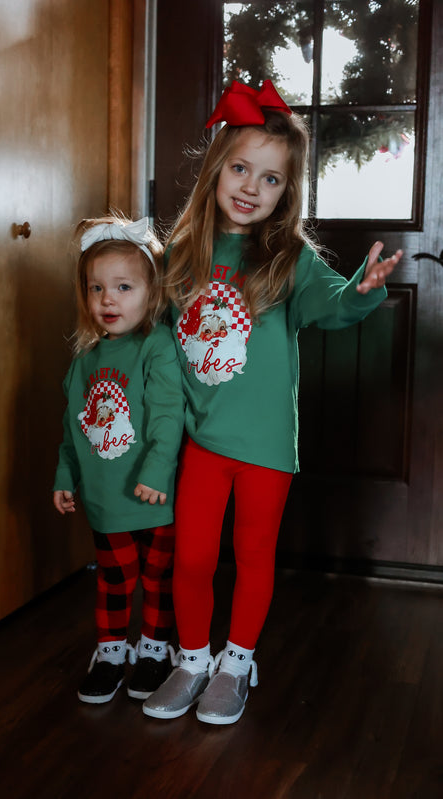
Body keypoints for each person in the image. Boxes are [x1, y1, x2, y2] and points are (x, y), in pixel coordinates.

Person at [142, 80, 403, 725]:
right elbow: (159, 346)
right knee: (196, 556)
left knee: (254, 554)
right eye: (240, 168)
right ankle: (193, 658)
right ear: (216, 168)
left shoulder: (289, 260)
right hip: (201, 441)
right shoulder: (182, 254)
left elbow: (333, 308)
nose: (251, 187)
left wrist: (363, 290)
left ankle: (237, 663)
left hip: (263, 445)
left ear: (287, 193)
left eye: (271, 179)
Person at [53, 214, 184, 705]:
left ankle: (152, 650)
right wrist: (65, 476)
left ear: (151, 293)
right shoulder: (84, 360)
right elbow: (72, 429)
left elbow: (169, 416)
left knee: (156, 577)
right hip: (107, 498)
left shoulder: (156, 347)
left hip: (154, 497)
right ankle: (111, 651)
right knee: (114, 579)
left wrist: (155, 472)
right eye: (97, 288)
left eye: (124, 287)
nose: (109, 299)